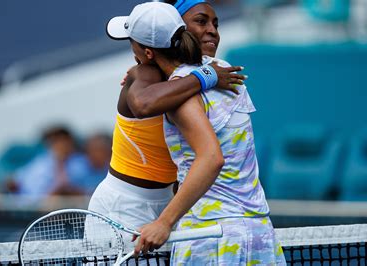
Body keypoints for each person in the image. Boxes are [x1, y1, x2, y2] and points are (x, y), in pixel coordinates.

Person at [106, 2, 285, 265]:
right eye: (202, 22)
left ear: (146, 52)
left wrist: (165, 222)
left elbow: (211, 158)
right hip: (258, 230)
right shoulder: (223, 69)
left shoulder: (178, 91)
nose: (212, 30)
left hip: (210, 234)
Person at [87, 2, 246, 236]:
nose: (212, 30)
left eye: (215, 24)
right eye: (201, 22)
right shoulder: (146, 72)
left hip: (172, 204)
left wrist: (206, 75)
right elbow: (144, 104)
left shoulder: (205, 73)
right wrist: (206, 76)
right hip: (123, 206)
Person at [13, 126, 93, 201]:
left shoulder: (81, 163)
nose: (63, 146)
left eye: (65, 141)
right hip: (42, 211)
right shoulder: (40, 165)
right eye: (58, 142)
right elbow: (27, 190)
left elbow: (90, 189)